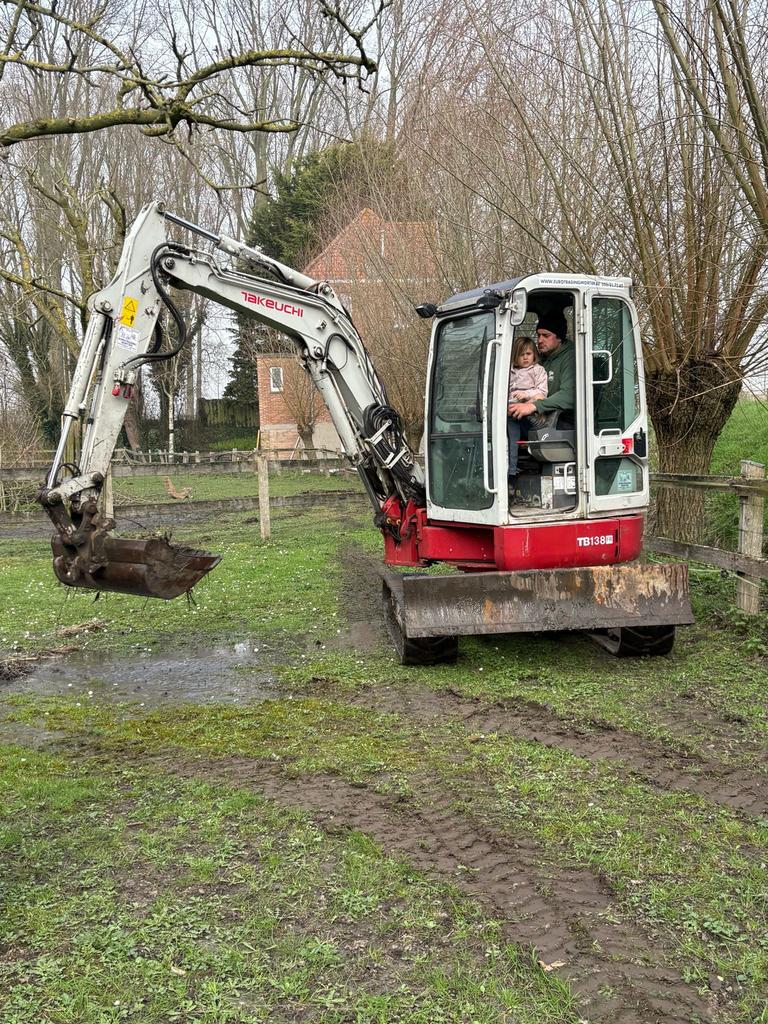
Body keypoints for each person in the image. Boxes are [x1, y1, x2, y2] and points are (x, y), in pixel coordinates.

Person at [507, 311, 575, 484]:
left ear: (559, 337)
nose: (540, 340)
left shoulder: (571, 357)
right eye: (538, 335)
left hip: (562, 422)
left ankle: (511, 474)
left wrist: (533, 406)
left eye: (546, 335)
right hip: (540, 416)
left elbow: (569, 395)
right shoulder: (540, 359)